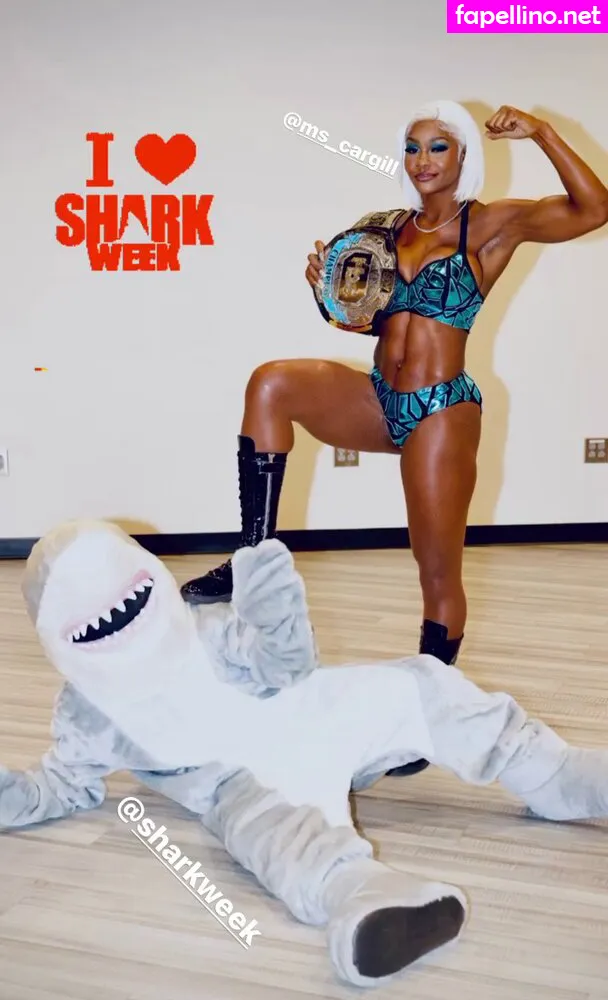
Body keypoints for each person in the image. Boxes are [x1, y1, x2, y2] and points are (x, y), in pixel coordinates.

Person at [3, 520, 608, 988]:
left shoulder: (206, 627)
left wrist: (277, 620)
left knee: (424, 686)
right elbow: (64, 782)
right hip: (245, 782)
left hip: (313, 709)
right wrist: (15, 796)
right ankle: (366, 896)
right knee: (277, 838)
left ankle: (553, 774)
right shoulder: (87, 710)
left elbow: (285, 668)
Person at [181, 99, 608, 668]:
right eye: (412, 148)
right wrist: (330, 293)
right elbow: (375, 322)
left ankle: (432, 690)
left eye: (437, 147)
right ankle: (251, 558)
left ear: (463, 155)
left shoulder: (489, 225)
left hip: (440, 409)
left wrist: (542, 132)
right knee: (271, 383)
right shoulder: (385, 229)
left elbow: (594, 208)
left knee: (435, 569)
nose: (422, 160)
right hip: (380, 398)